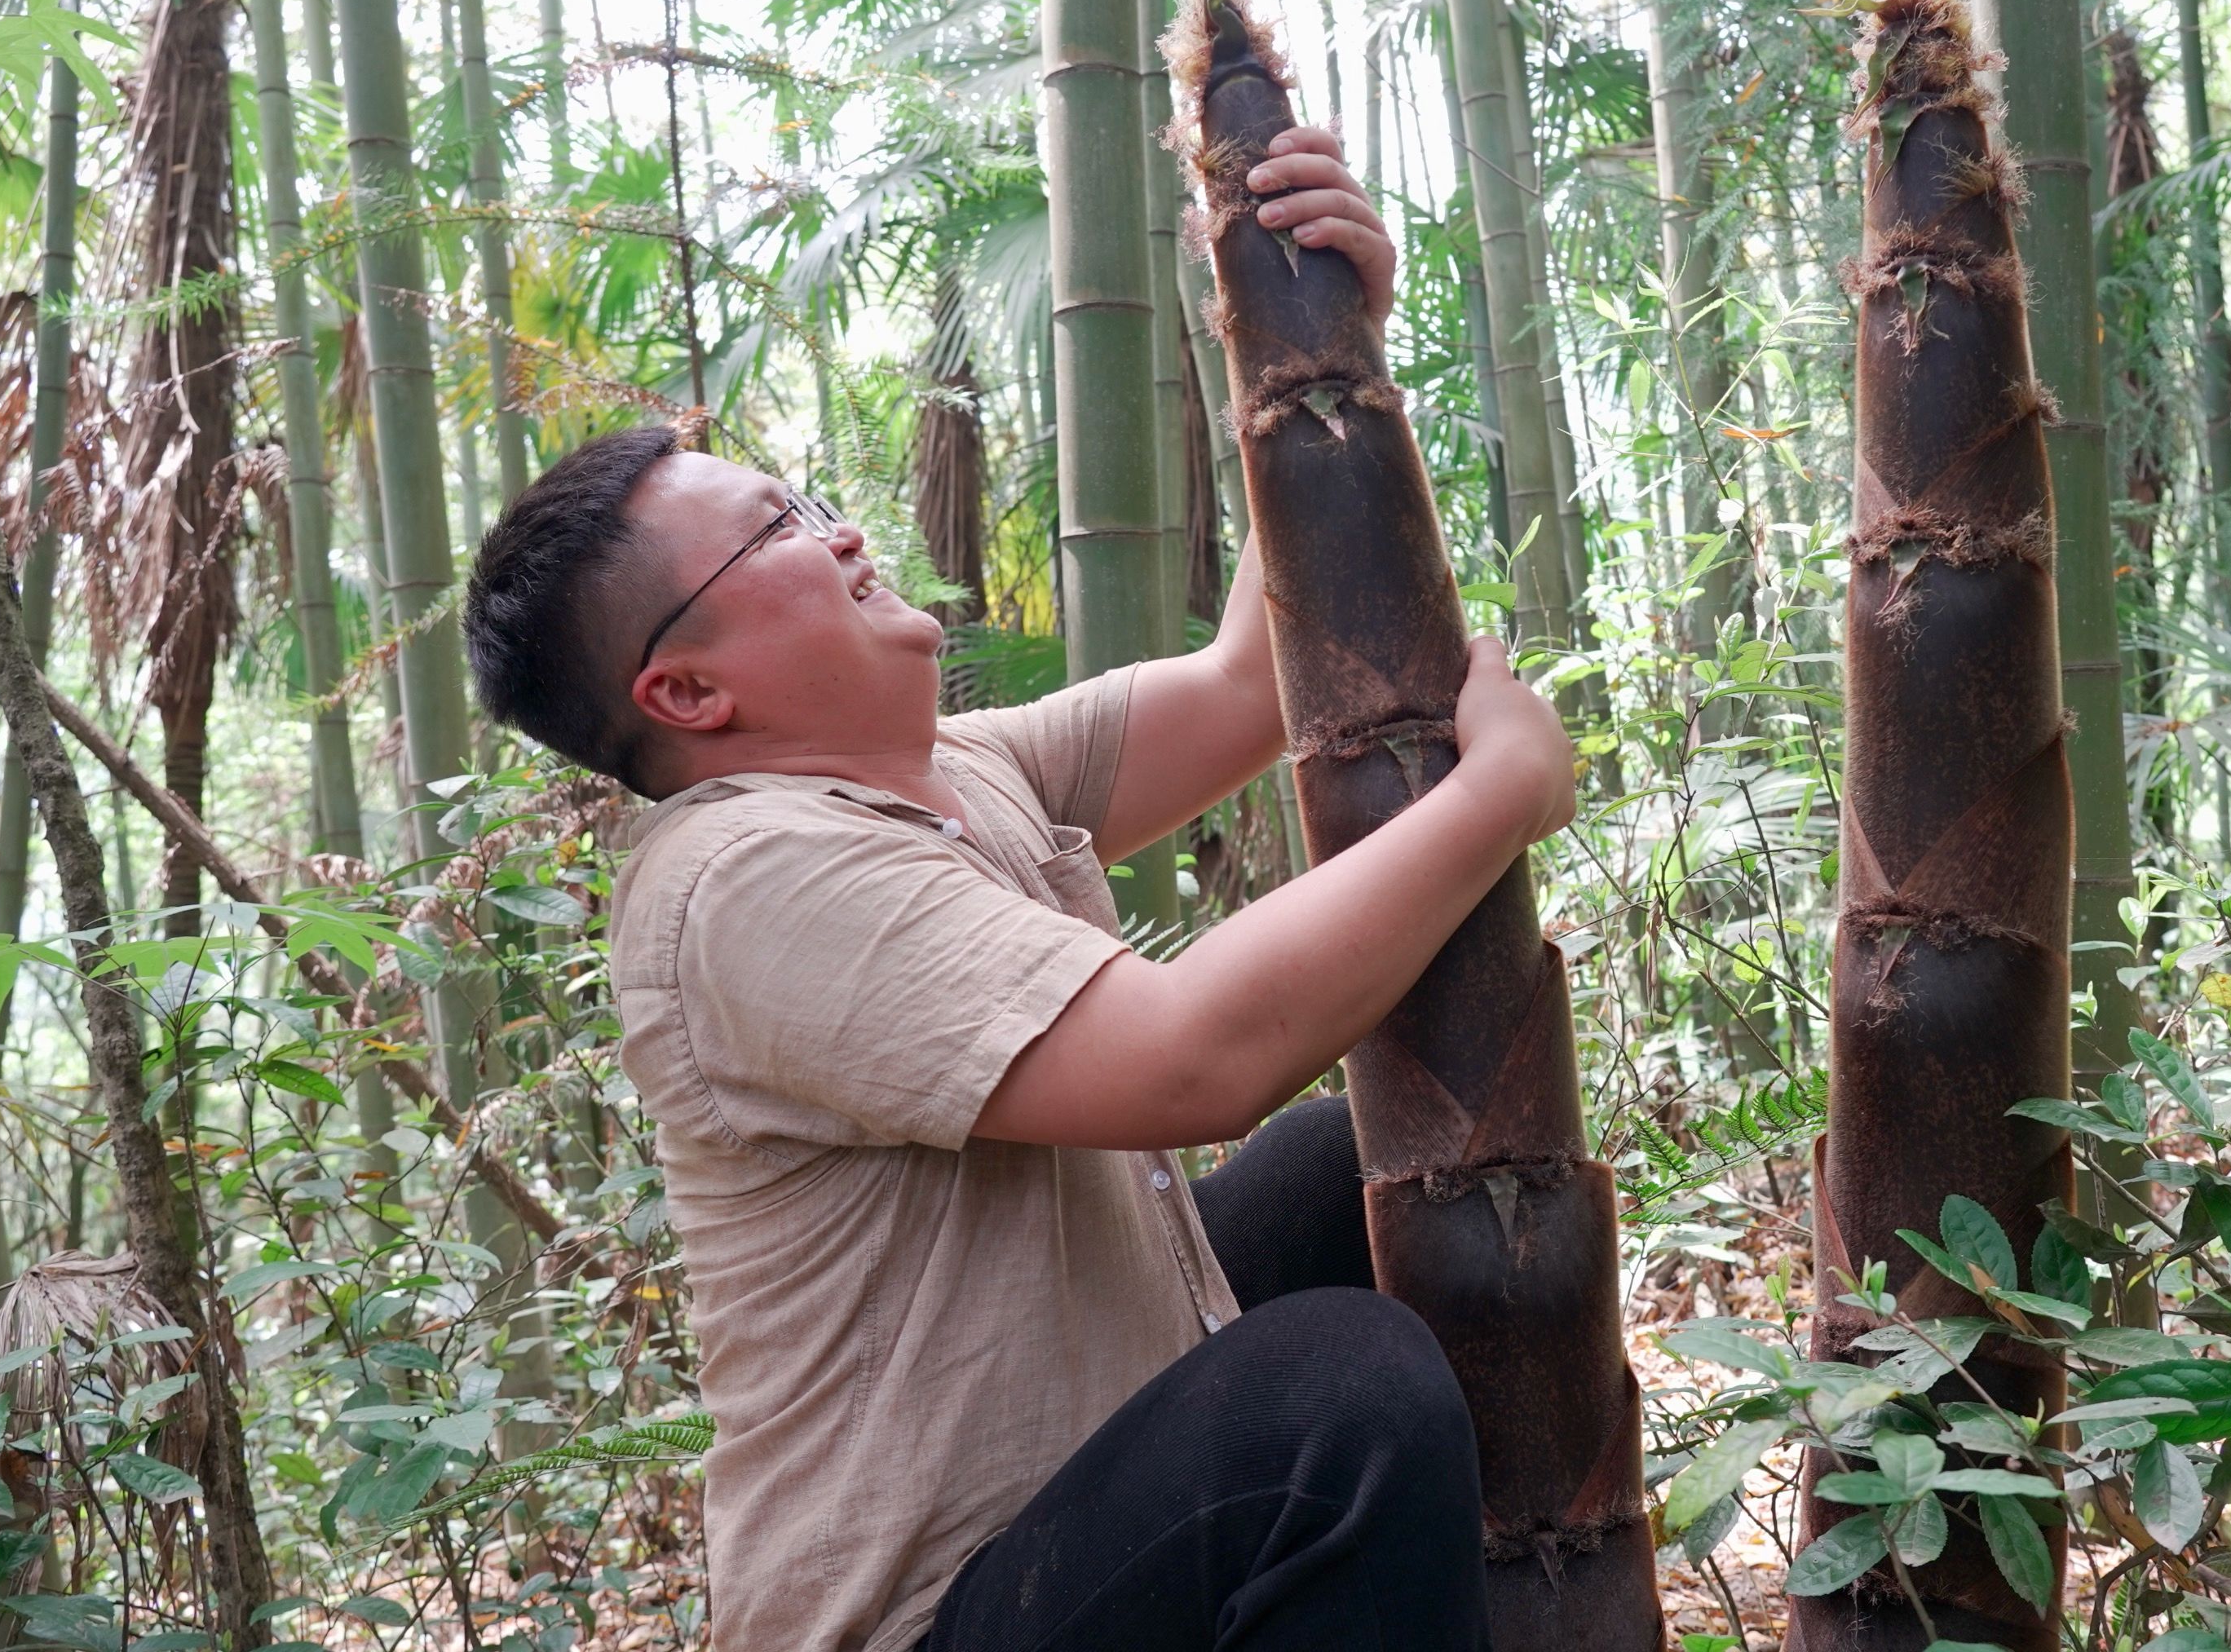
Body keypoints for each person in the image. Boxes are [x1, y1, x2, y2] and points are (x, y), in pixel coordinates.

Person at [461, 129, 1575, 1652]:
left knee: (1338, 1178)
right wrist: (1499, 794)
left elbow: (1256, 678)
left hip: (1074, 1499)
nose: (841, 529)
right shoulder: (746, 881)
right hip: (930, 1618)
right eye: (775, 532)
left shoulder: (946, 772)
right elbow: (1194, 1059)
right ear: (689, 691)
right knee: (1333, 1397)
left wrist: (1326, 345)